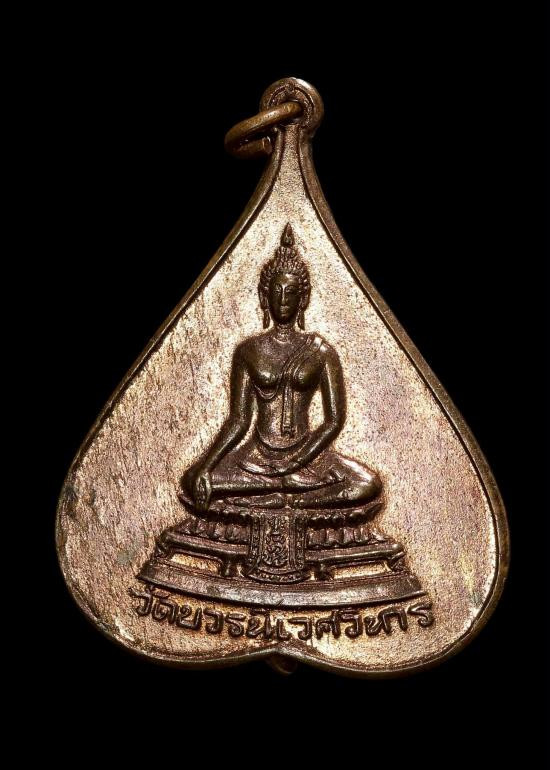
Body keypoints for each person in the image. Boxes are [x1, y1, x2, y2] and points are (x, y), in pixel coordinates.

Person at [181, 224, 382, 519]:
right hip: (257, 457)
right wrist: (206, 466)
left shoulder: (321, 351)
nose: (284, 299)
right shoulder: (248, 350)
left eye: (291, 292)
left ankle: (286, 500)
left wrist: (297, 461)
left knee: (368, 484)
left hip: (308, 456)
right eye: (277, 291)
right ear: (265, 296)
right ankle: (284, 493)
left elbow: (333, 421)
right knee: (193, 480)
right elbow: (238, 420)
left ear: (303, 298)